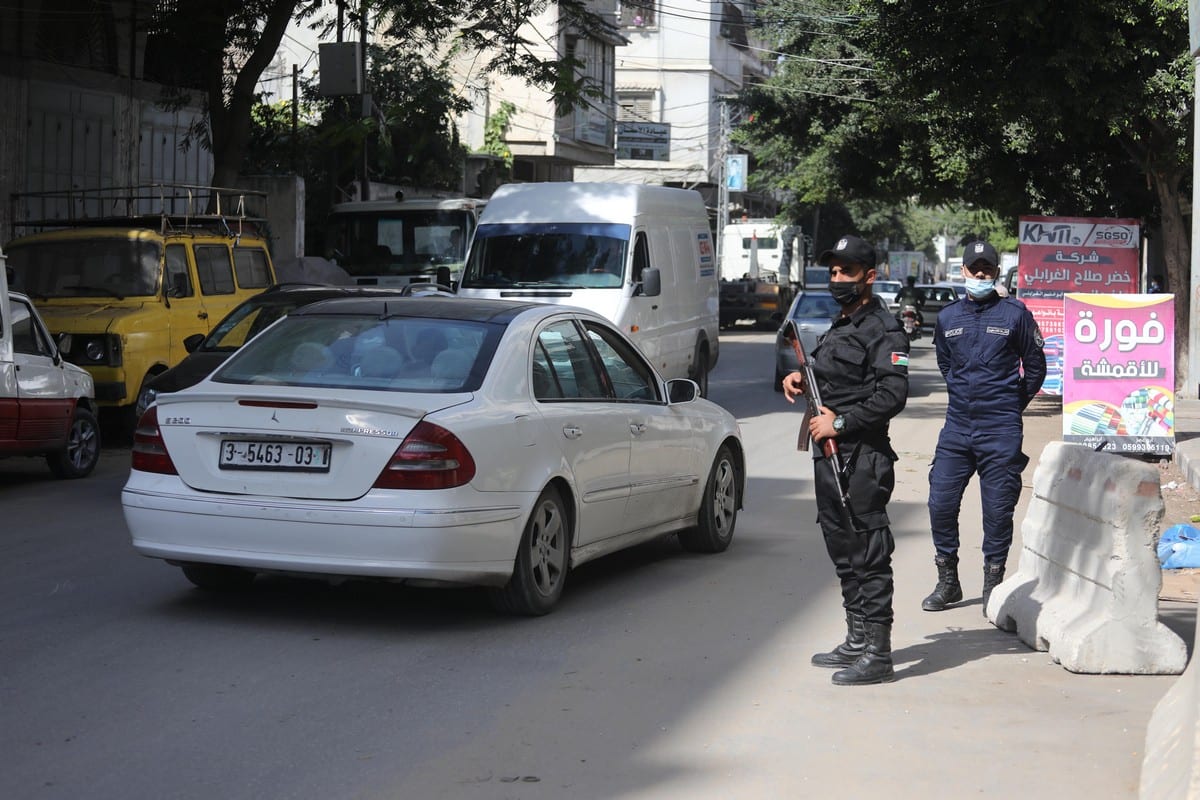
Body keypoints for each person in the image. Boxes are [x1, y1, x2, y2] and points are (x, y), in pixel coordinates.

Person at [782, 234, 910, 686]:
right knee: (842, 549)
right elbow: (833, 373)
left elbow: (893, 393)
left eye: (846, 272)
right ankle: (856, 639)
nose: (837, 279)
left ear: (869, 277)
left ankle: (879, 653)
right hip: (829, 455)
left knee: (869, 553)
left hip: (861, 455)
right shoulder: (843, 322)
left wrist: (841, 424)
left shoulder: (884, 328)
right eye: (833, 271)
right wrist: (802, 375)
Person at [922, 240, 1047, 615]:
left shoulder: (1015, 315)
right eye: (973, 269)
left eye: (986, 269)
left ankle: (993, 586)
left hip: (1000, 430)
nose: (979, 275)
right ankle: (948, 581)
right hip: (957, 428)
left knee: (997, 512)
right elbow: (946, 366)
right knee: (940, 502)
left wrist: (1010, 405)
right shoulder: (947, 318)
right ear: (963, 271)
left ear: (995, 273)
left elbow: (1036, 368)